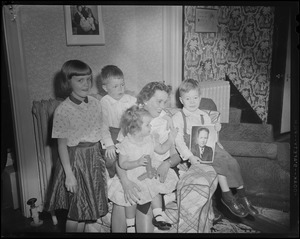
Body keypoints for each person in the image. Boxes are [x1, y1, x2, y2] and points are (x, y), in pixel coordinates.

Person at [172, 78, 258, 218]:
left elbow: (211, 135)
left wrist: (217, 134)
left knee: (232, 161)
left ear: (200, 98)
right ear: (181, 100)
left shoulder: (204, 115)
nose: (192, 101)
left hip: (209, 146)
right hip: (194, 150)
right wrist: (190, 157)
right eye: (188, 99)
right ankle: (227, 196)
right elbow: (179, 141)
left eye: (195, 98)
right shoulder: (178, 117)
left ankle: (243, 197)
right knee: (219, 163)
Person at [110, 82, 182, 232]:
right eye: (158, 101)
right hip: (133, 171)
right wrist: (125, 182)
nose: (162, 106)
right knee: (122, 200)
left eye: (165, 101)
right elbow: (121, 159)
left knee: (146, 202)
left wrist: (167, 163)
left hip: (155, 173)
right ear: (145, 100)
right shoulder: (133, 122)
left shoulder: (168, 121)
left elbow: (177, 155)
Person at [45, 60, 108, 232]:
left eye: (88, 79)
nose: (86, 84)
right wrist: (69, 175)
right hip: (76, 162)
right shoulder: (62, 111)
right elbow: (62, 146)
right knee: (76, 212)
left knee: (87, 210)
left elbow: (102, 131)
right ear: (68, 82)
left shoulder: (95, 103)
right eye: (80, 80)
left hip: (94, 158)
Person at [99, 65, 137, 178]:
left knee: (132, 155)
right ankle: (112, 177)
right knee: (110, 159)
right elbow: (103, 127)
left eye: (122, 84)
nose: (121, 89)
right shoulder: (103, 102)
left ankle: (129, 175)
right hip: (112, 135)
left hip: (128, 133)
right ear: (105, 88)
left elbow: (139, 116)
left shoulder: (131, 100)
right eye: (115, 86)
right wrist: (109, 145)